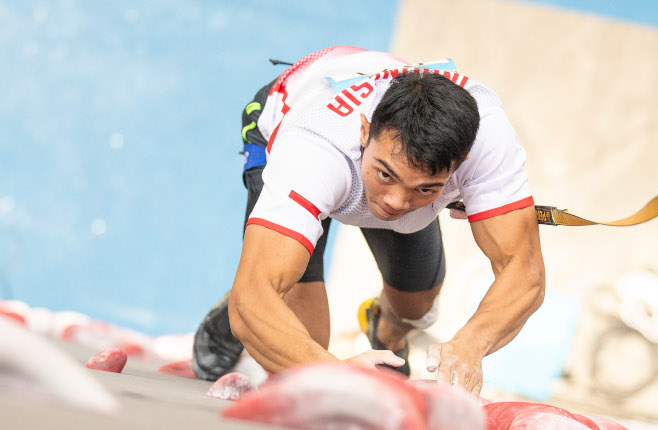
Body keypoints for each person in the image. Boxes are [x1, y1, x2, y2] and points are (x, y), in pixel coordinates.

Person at [192, 46, 545, 395]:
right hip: (289, 128)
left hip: (359, 158)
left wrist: (471, 345)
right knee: (305, 356)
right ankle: (265, 274)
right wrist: (334, 373)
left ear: (463, 161)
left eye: (426, 189)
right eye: (386, 175)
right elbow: (252, 302)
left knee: (416, 309)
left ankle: (384, 328)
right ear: (365, 131)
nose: (396, 202)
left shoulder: (489, 138)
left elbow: (524, 271)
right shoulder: (312, 149)